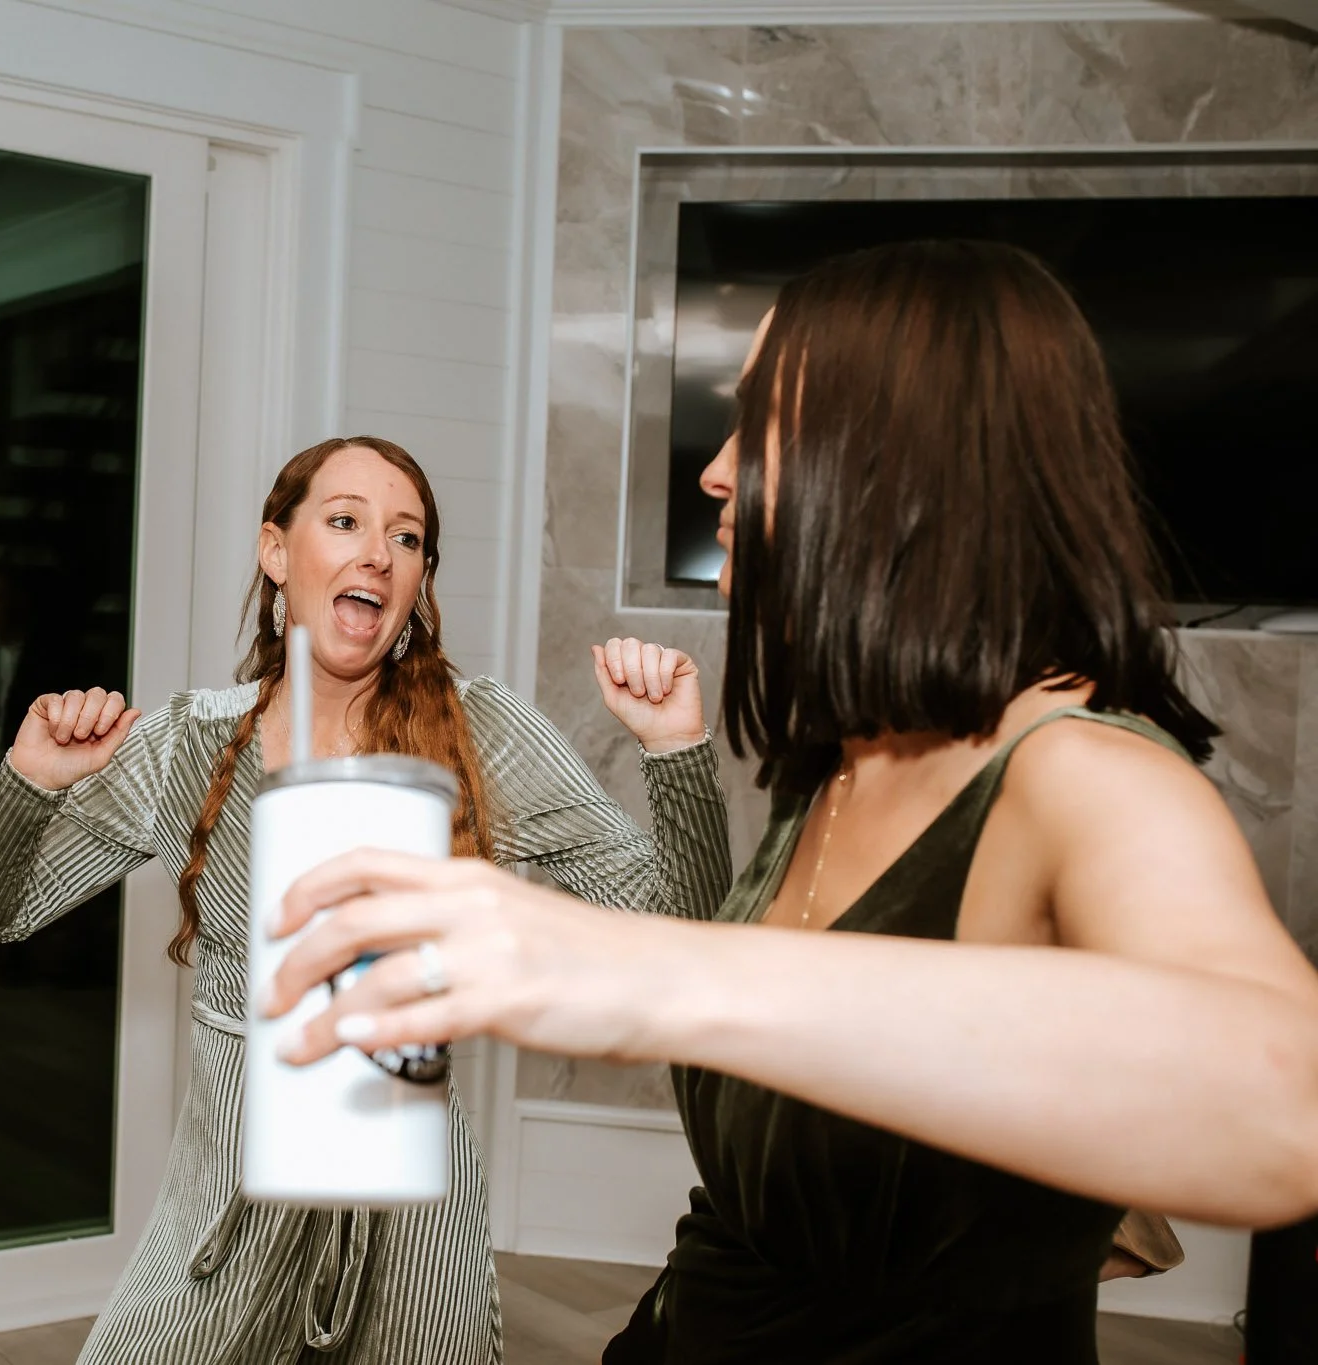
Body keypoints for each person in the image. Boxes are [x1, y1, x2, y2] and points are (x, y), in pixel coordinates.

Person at [265, 241, 1318, 1364]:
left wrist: (647, 974)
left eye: (759, 420)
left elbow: (1285, 1109)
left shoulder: (1082, 773)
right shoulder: (836, 765)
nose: (715, 473)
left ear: (898, 461)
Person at [0, 436, 735, 1364]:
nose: (378, 554)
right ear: (276, 550)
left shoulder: (479, 733)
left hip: (410, 1227)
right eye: (346, 521)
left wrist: (675, 749)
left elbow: (687, 934)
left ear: (420, 579)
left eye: (407, 538)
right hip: (227, 1216)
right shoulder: (186, 746)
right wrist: (31, 779)